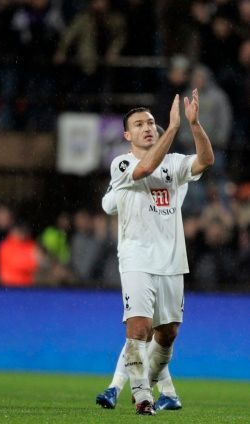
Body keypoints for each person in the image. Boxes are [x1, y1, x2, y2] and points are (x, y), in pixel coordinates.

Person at [103, 90, 214, 415]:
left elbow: (205, 160)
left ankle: (147, 385)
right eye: (139, 124)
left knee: (167, 335)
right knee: (138, 329)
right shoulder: (122, 163)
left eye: (151, 122)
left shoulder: (175, 164)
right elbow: (144, 170)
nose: (147, 127)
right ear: (127, 135)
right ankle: (142, 398)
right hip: (136, 258)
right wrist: (173, 128)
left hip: (172, 260)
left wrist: (193, 125)